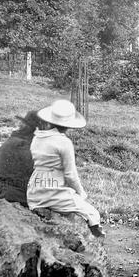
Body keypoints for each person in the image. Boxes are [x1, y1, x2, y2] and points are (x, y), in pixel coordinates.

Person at [27, 99, 105, 238]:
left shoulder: (37, 137)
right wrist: (81, 193)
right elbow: (70, 175)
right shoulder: (64, 142)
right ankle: (95, 238)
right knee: (93, 213)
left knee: (73, 200)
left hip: (35, 189)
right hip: (53, 191)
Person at [0, 110, 39, 206]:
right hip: (21, 200)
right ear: (37, 129)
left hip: (0, 194)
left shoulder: (9, 141)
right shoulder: (29, 147)